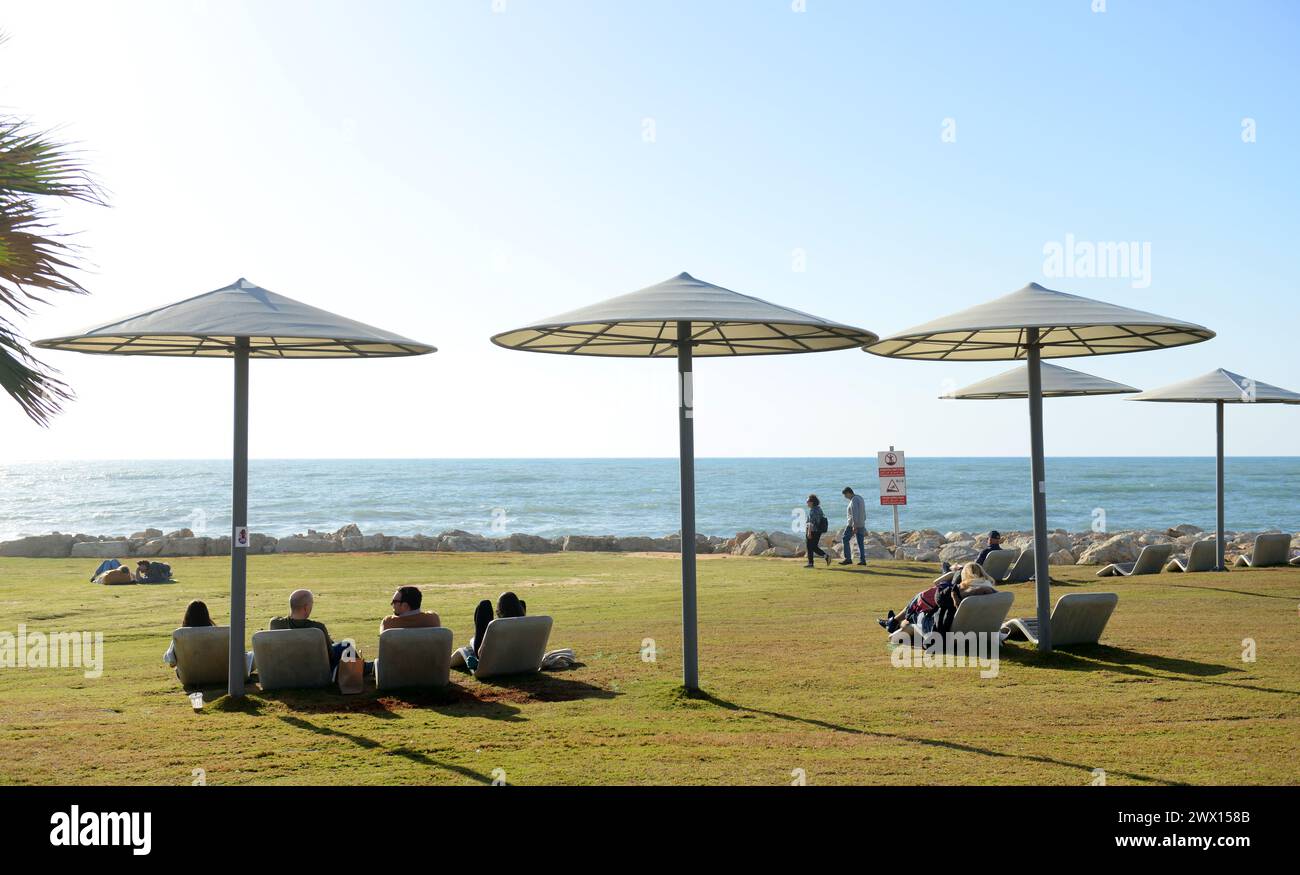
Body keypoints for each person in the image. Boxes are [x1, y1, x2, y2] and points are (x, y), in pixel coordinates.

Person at [877, 563, 998, 637]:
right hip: (980, 627)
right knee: (919, 603)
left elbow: (940, 598)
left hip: (951, 630)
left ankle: (894, 623)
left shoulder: (962, 592)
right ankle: (894, 623)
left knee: (917, 610)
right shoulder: (992, 591)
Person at [270, 589, 355, 671]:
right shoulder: (317, 628)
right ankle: (363, 667)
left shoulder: (275, 623)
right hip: (315, 670)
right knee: (346, 645)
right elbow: (330, 656)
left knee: (336, 644)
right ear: (306, 608)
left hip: (287, 667)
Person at [164, 599, 254, 675]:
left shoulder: (180, 635)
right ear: (206, 615)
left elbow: (172, 662)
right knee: (252, 655)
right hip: (219, 673)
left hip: (190, 676)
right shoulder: (218, 634)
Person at [467, 591, 527, 670]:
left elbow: (481, 653)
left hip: (491, 658)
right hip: (517, 657)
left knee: (484, 604)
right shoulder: (527, 624)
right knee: (521, 602)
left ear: (500, 611)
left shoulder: (495, 627)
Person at [838, 486, 868, 566]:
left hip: (852, 524)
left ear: (848, 493)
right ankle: (863, 560)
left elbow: (855, 513)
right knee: (860, 542)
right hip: (861, 523)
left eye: (845, 495)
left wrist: (854, 525)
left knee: (845, 539)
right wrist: (863, 523)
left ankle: (848, 559)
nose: (845, 497)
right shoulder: (860, 498)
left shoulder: (854, 500)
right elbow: (863, 512)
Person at [803, 494, 831, 568]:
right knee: (814, 547)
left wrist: (809, 532)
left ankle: (810, 563)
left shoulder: (813, 511)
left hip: (813, 531)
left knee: (809, 547)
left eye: (807, 501)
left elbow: (811, 523)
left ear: (812, 502)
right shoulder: (818, 508)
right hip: (818, 531)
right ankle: (826, 556)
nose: (807, 503)